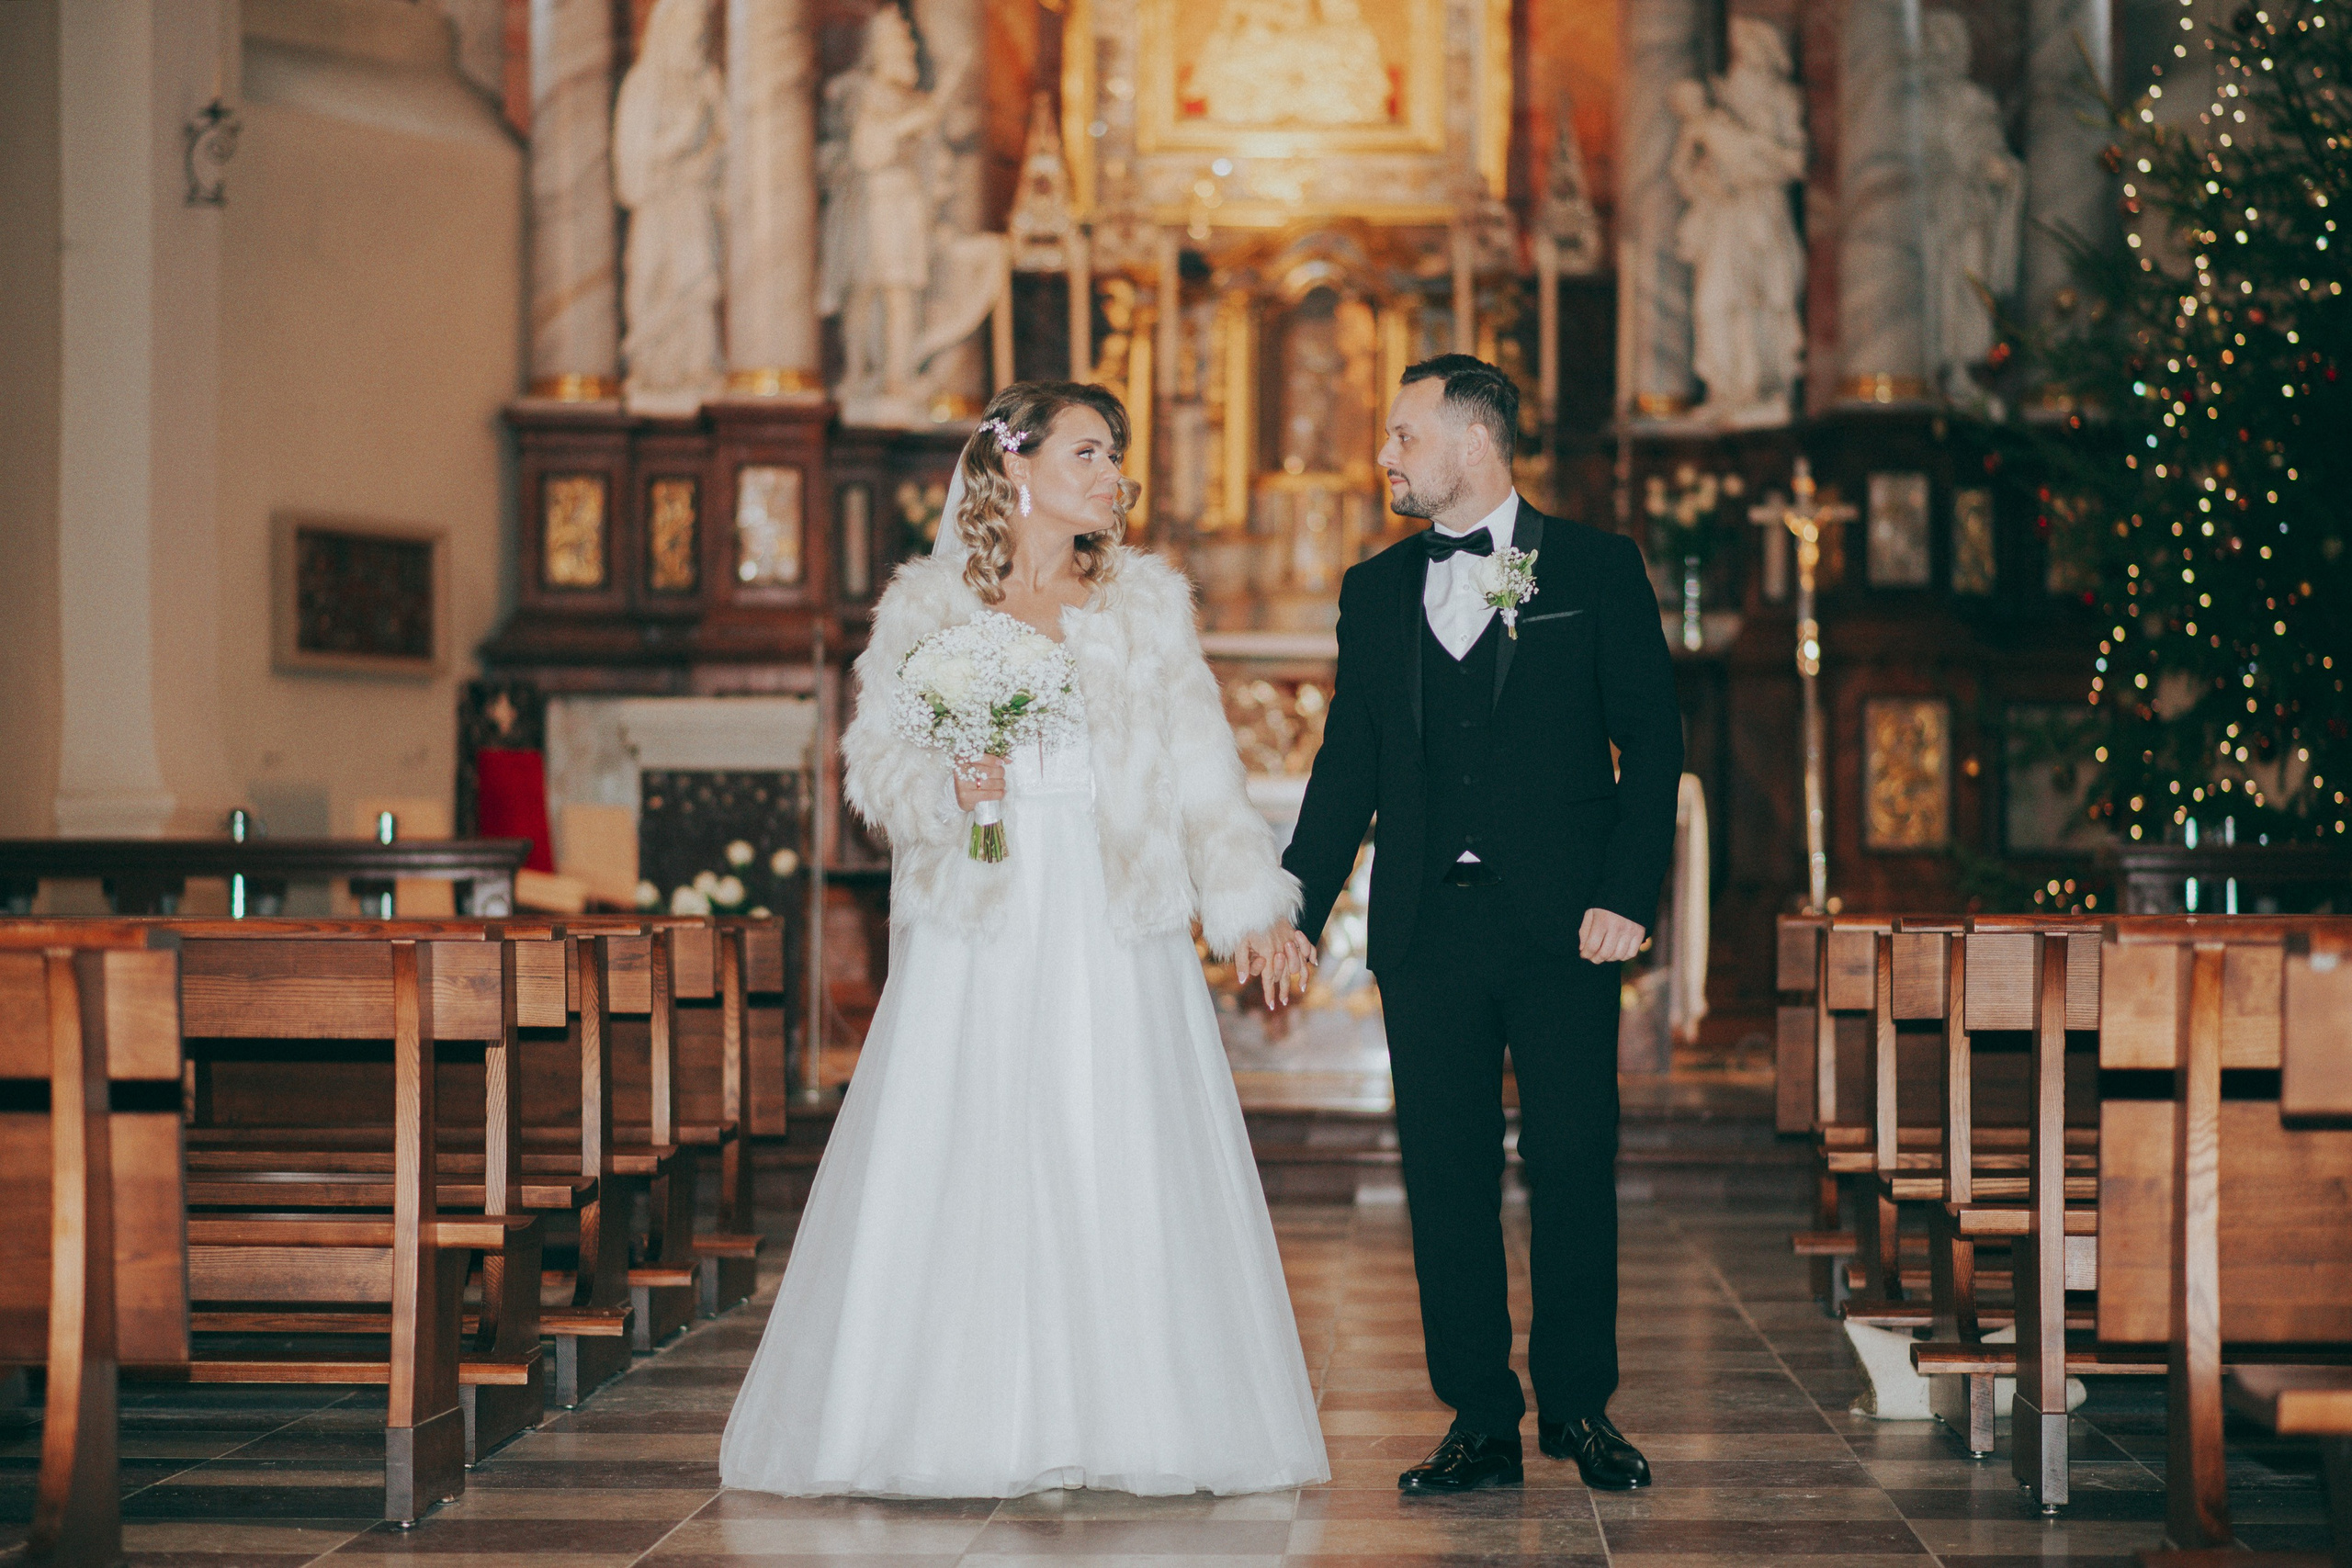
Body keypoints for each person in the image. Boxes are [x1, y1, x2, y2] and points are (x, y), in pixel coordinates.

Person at [718, 380, 1329, 1499]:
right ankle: (958, 1420)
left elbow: (1202, 770)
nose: (1113, 477)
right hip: (979, 916)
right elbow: (875, 769)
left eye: (1116, 457)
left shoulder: (1145, 604)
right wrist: (951, 784)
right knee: (975, 1146)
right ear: (1016, 463)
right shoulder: (929, 606)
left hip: (1110, 912)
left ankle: (1131, 1419)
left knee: (1110, 1142)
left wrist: (1254, 911)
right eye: (1088, 453)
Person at [1278, 355, 1683, 1493]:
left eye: (1403, 435)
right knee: (1444, 1173)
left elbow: (1653, 741)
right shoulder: (1372, 590)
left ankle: (1580, 1408)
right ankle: (1479, 1418)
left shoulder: (1595, 567)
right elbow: (1346, 766)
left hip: (1565, 925)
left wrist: (1625, 895)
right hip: (1426, 929)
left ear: (1473, 441)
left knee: (1573, 1160)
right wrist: (1293, 906)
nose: (1385, 457)